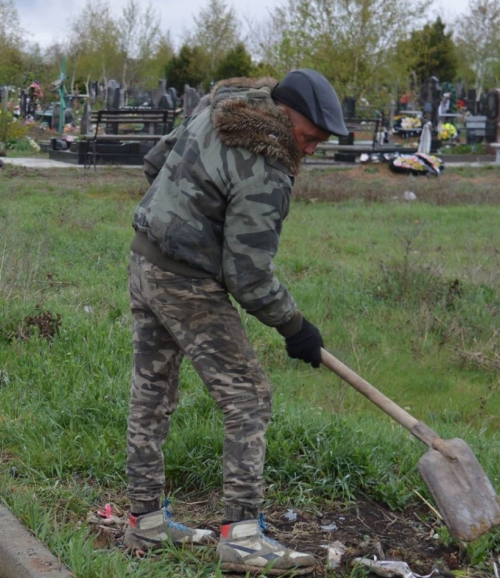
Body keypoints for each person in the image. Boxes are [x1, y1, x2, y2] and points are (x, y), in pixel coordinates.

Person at [124, 69, 348, 575]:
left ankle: (145, 522)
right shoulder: (267, 167)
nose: (310, 150)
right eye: (308, 137)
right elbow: (247, 275)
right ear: (286, 115)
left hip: (144, 258)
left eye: (320, 142)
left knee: (151, 392)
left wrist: (188, 212)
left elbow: (156, 162)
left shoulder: (221, 108)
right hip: (185, 280)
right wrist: (296, 329)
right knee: (248, 397)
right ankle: (243, 539)